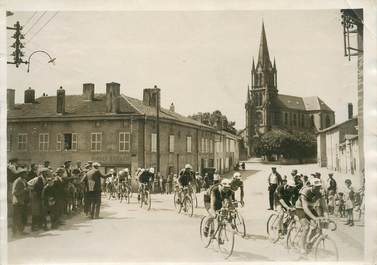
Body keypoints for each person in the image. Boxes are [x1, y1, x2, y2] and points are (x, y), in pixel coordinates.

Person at [295, 178, 329, 256]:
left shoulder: (320, 193)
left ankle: (309, 243)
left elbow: (325, 208)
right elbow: (305, 208)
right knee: (306, 227)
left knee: (317, 226)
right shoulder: (306, 191)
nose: (318, 189)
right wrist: (314, 218)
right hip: (300, 208)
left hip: (310, 208)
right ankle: (302, 247)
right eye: (316, 187)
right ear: (312, 186)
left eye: (319, 187)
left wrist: (327, 217)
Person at [12, 169, 29, 236]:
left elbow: (26, 188)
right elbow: (14, 192)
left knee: (23, 217)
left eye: (26, 173)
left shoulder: (24, 181)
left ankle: (21, 231)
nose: (26, 175)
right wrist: (24, 190)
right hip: (18, 202)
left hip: (23, 202)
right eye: (24, 174)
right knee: (16, 218)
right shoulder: (17, 181)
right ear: (21, 174)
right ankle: (14, 233)